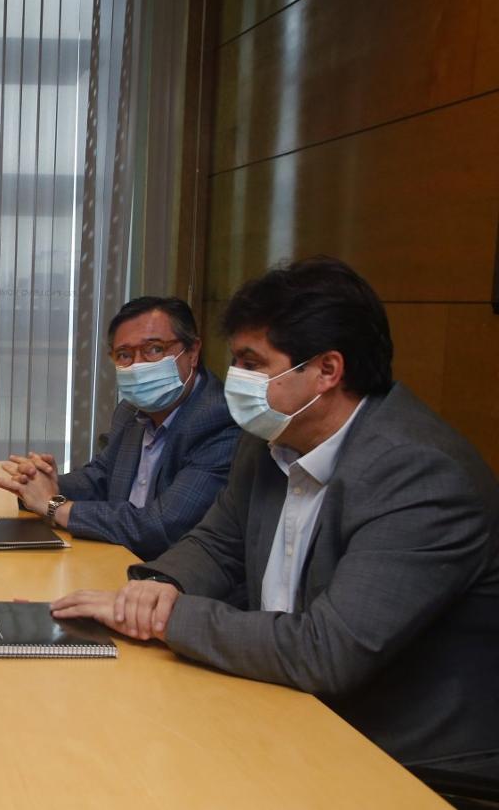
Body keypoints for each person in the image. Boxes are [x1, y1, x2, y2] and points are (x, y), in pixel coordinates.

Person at [51, 257, 499, 776]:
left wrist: (168, 618)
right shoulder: (268, 439)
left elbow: (326, 651)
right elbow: (217, 544)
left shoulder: (419, 475)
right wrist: (155, 585)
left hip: (396, 759)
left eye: (252, 363)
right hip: (280, 709)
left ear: (327, 371)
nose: (235, 380)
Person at [0, 297, 240, 560]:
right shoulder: (130, 411)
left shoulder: (220, 419)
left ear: (192, 352)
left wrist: (55, 506)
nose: (138, 364)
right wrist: (40, 485)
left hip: (172, 581)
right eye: (124, 355)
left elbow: (161, 526)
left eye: (154, 349)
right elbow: (100, 477)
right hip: (115, 559)